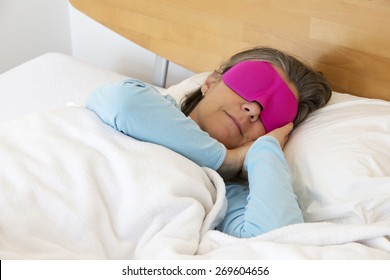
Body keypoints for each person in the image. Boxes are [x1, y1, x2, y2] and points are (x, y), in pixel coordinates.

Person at [86, 47, 332, 238]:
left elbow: (277, 241)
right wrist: (225, 159)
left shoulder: (226, 193)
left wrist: (265, 150)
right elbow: (122, 103)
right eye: (251, 83)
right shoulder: (149, 103)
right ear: (211, 82)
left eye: (276, 112)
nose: (253, 108)